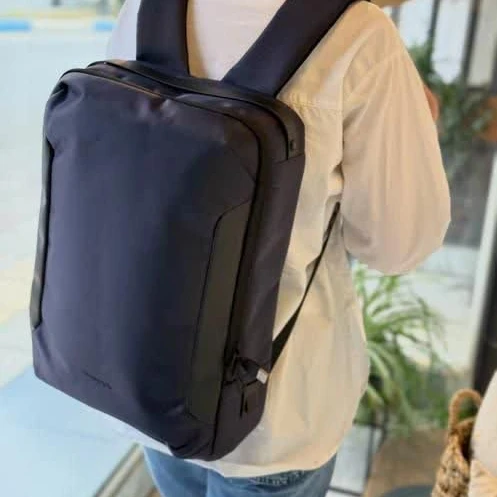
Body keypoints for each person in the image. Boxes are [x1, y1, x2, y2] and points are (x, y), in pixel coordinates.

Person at [107, 1, 450, 496]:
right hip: (272, 417)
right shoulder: (359, 34)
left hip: (149, 381)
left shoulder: (145, 8)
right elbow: (397, 247)